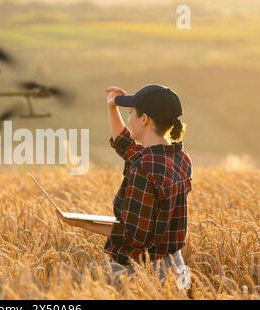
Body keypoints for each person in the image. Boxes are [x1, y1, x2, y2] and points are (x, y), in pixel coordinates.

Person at [55, 84, 193, 284]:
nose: (128, 119)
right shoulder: (180, 157)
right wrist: (112, 108)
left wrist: (80, 222)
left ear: (144, 119)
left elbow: (134, 236)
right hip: (176, 268)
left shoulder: (143, 169)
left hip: (140, 272)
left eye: (130, 114)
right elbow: (126, 145)